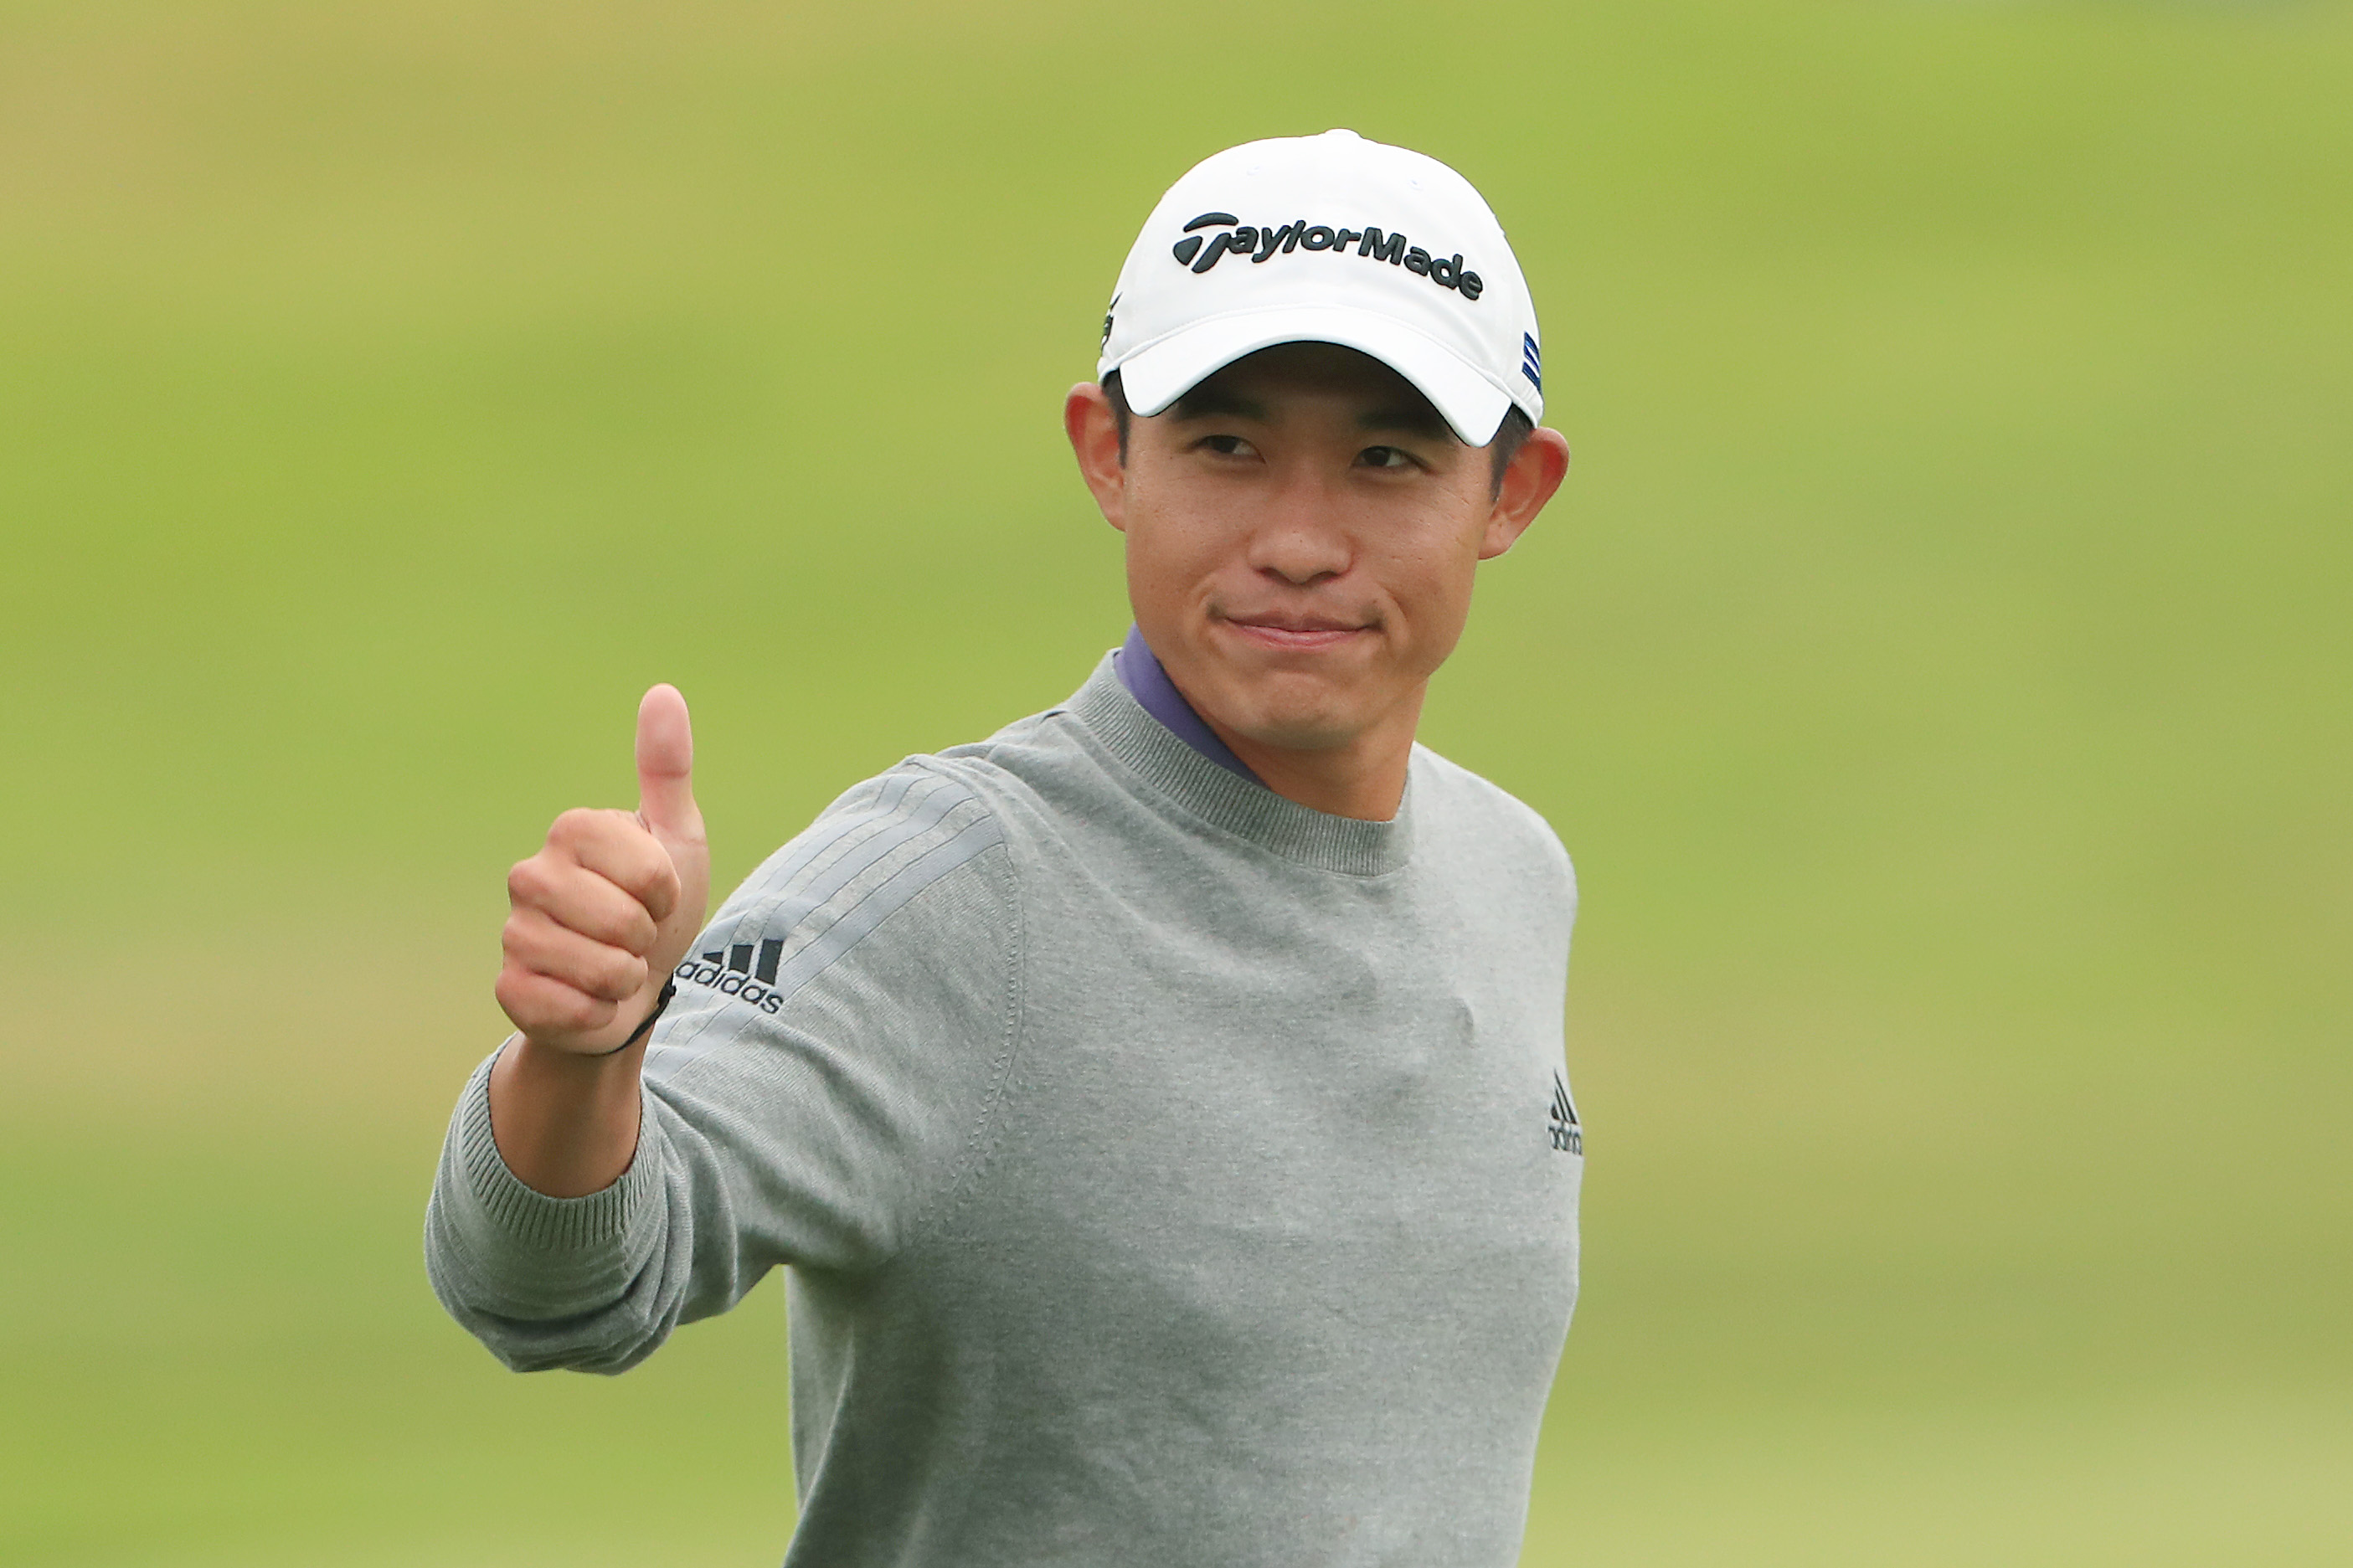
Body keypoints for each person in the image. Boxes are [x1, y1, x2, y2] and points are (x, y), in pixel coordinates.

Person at [427, 128, 1583, 1565]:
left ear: (1511, 494)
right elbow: (551, 1291)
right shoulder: (947, 883)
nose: (1298, 538)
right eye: (1226, 447)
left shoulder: (1512, 874)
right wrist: (583, 1058)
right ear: (1109, 457)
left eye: (1386, 459)